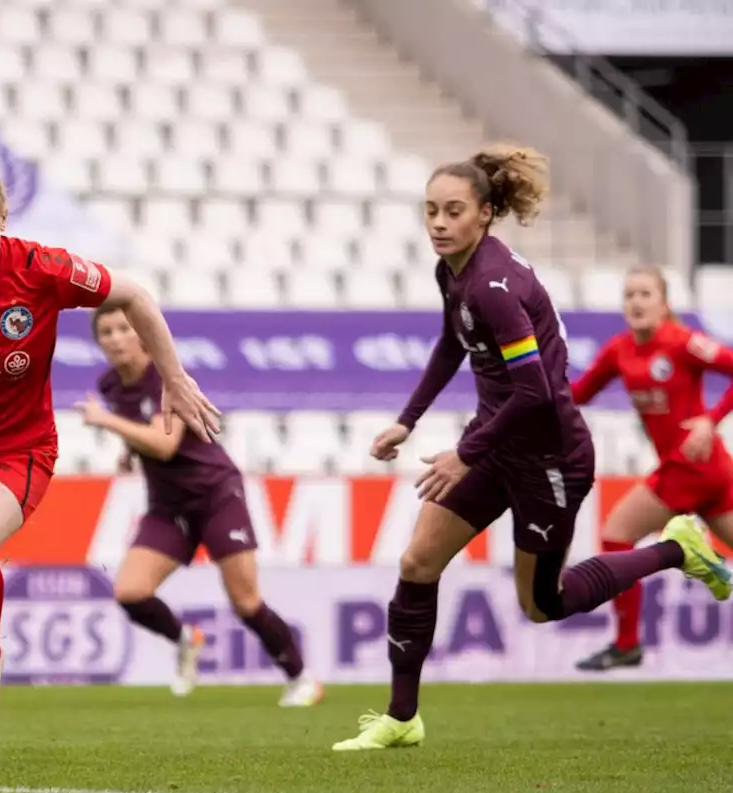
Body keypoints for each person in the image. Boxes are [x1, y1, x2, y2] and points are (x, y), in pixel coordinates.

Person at [332, 144, 731, 751]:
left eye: (453, 211)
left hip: (550, 461)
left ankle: (676, 550)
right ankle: (401, 718)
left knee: (544, 604)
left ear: (486, 213)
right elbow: (451, 344)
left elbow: (538, 391)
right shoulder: (454, 272)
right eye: (431, 211)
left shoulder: (494, 286)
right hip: (497, 447)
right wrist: (407, 421)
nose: (439, 223)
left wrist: (465, 452)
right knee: (417, 564)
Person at [0, 156, 221, 763]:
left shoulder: (42, 268)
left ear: (4, 218)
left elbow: (133, 293)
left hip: (14, 446)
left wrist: (174, 378)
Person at [75, 305, 325, 706]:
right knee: (131, 592)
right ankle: (184, 639)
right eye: (106, 332)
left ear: (140, 333)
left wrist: (105, 423)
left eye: (124, 328)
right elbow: (143, 434)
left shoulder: (162, 377)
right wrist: (128, 452)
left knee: (245, 601)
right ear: (98, 340)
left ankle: (301, 679)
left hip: (215, 494)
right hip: (168, 505)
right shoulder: (110, 385)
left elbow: (164, 442)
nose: (116, 338)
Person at [570, 266, 733, 671]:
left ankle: (628, 642)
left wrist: (710, 420)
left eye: (645, 294)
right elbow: (580, 395)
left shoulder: (682, 342)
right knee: (618, 536)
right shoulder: (619, 350)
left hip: (691, 466)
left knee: (616, 534)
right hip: (706, 471)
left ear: (664, 304)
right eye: (629, 295)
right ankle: (693, 553)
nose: (636, 302)